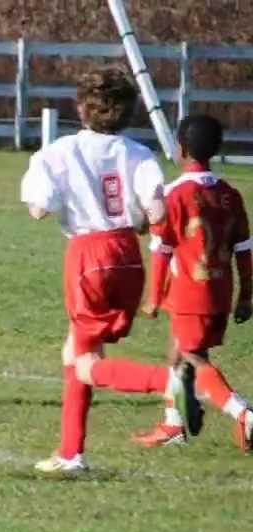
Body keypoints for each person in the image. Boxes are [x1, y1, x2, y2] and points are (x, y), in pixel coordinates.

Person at [20, 65, 202, 474]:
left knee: (82, 361)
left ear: (81, 108)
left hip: (88, 255)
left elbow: (37, 209)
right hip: (128, 254)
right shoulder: (138, 153)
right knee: (77, 352)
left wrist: (54, 199)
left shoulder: (57, 153)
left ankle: (165, 383)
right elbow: (155, 212)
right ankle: (70, 452)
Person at [133, 114, 253, 452]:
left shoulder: (174, 194)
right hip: (220, 290)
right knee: (177, 352)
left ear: (180, 149)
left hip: (190, 292)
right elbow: (244, 250)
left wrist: (153, 298)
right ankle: (173, 425)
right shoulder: (230, 195)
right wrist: (246, 297)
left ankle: (242, 412)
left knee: (193, 356)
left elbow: (161, 250)